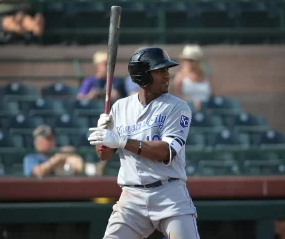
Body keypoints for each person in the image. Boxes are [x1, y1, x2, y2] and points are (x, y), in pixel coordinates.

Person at [88, 47, 200, 239]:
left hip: (169, 193)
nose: (167, 75)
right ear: (143, 76)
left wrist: (122, 140)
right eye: (160, 71)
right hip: (131, 197)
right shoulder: (120, 107)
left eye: (167, 70)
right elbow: (104, 155)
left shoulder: (178, 107)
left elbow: (166, 151)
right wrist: (103, 137)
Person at [173, 44, 212, 111]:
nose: (187, 62)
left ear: (198, 61)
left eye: (191, 60)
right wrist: (191, 103)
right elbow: (176, 96)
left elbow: (214, 95)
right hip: (186, 110)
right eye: (185, 59)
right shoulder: (180, 76)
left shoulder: (206, 77)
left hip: (206, 110)